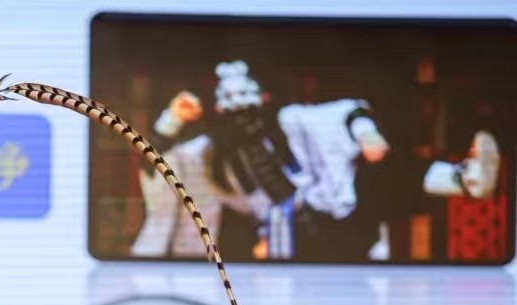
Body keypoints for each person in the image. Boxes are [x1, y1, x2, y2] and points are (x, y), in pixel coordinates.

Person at [130, 60, 502, 261]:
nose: (240, 108)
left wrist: (366, 135)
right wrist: (172, 120)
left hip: (337, 214)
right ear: (217, 108)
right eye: (231, 100)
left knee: (380, 179)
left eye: (246, 97)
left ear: (264, 98)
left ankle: (463, 179)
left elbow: (346, 114)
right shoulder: (209, 155)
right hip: (285, 241)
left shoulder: (292, 121)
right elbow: (156, 162)